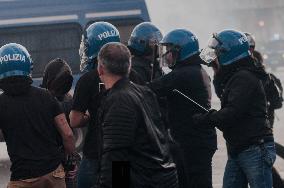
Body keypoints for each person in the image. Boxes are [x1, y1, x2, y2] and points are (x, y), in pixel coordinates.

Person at [198, 29, 276, 188]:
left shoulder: (244, 77)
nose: (214, 55)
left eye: (217, 52)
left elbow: (232, 112)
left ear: (228, 53)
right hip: (240, 147)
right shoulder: (235, 75)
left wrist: (208, 118)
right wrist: (216, 69)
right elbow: (222, 94)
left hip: (254, 148)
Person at [69, 21, 143, 188]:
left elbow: (74, 121)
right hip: (124, 153)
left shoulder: (87, 79)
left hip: (95, 154)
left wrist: (89, 117)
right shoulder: (135, 76)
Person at [96, 42, 178, 188]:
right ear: (129, 67)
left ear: (100, 69)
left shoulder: (118, 100)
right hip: (165, 178)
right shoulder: (144, 92)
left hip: (146, 181)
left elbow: (117, 155)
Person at [148, 29, 217, 188]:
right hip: (195, 139)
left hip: (194, 141)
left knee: (197, 183)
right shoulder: (194, 69)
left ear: (180, 51)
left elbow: (150, 89)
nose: (167, 56)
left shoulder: (183, 74)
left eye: (169, 51)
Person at [0, 43, 75, 188]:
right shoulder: (46, 96)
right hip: (54, 174)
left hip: (22, 178)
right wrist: (69, 161)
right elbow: (68, 135)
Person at [245, 32, 284, 188]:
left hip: (261, 122)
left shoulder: (261, 74)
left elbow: (276, 101)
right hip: (261, 122)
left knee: (261, 155)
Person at [41, 58, 81, 188]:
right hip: (63, 162)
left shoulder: (39, 100)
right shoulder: (69, 101)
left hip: (44, 164)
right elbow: (69, 136)